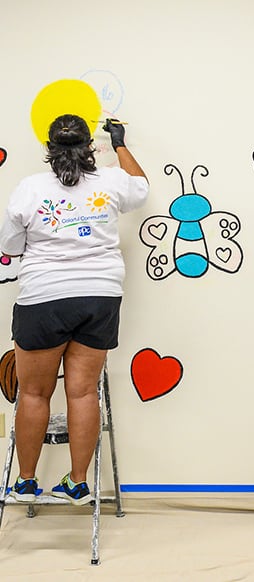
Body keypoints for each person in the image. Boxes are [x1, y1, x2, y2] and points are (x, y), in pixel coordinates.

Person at [0, 114, 148, 505]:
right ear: (90, 146)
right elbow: (141, 188)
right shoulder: (111, 180)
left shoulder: (30, 188)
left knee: (34, 394)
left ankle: (26, 482)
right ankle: (78, 483)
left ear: (48, 148)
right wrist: (119, 143)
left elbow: (9, 247)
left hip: (42, 297)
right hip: (100, 295)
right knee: (82, 394)